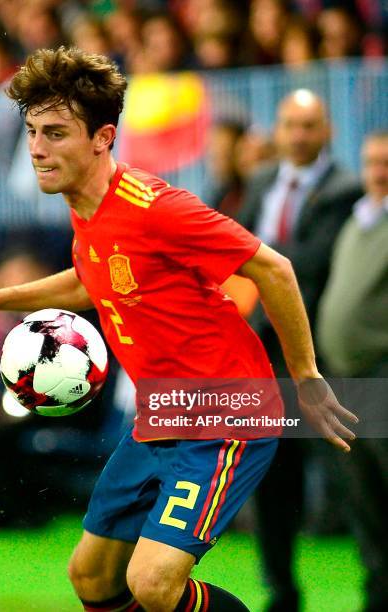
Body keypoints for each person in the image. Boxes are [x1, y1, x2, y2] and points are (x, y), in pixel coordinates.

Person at [0, 47, 357, 612]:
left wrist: (306, 376)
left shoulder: (157, 208)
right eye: (31, 132)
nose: (38, 150)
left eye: (55, 133)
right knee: (92, 577)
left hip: (226, 414)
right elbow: (92, 279)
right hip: (160, 415)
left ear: (103, 137)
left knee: (153, 583)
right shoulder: (86, 206)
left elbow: (274, 267)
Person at [238, 88, 363, 611]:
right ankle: (280, 591)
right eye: (289, 124)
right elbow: (237, 248)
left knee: (355, 477)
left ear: (327, 131)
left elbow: (309, 267)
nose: (297, 135)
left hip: (325, 356)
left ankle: (376, 589)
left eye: (308, 126)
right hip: (263, 359)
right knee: (271, 475)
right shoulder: (263, 183)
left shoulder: (348, 190)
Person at [317, 131, 388, 612]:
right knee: (363, 498)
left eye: (386, 163)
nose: (378, 171)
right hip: (348, 379)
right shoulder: (358, 219)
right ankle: (378, 596)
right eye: (371, 162)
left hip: (382, 374)